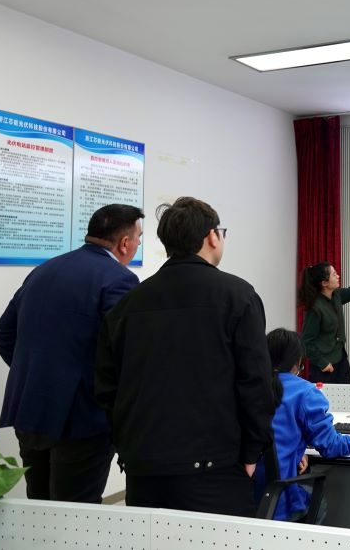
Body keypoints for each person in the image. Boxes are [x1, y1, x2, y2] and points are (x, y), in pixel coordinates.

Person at [95, 197, 273, 517]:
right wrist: (252, 452)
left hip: (144, 468)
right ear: (212, 236)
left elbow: (108, 389)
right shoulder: (238, 296)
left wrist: (130, 447)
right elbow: (255, 383)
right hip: (216, 469)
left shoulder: (128, 304)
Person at [0, 203, 144, 503]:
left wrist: (35, 374)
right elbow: (124, 353)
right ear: (125, 243)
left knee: (38, 505)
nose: (138, 244)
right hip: (82, 418)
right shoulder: (120, 279)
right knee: (77, 512)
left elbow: (3, 334)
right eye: (139, 238)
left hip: (29, 409)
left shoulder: (44, 270)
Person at [259, 328, 350, 521]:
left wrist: (297, 452)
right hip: (281, 503)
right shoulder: (305, 392)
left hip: (246, 498)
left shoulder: (251, 388)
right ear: (298, 362)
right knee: (321, 505)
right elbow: (332, 446)